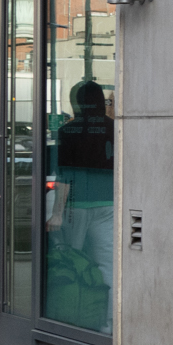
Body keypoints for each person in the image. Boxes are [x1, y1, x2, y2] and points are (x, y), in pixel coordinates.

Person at [45, 79, 115, 320]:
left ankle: (73, 311)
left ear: (77, 103)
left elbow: (64, 175)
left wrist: (57, 213)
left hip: (78, 205)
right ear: (100, 102)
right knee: (107, 263)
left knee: (73, 258)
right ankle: (106, 318)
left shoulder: (69, 131)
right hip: (108, 203)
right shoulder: (113, 127)